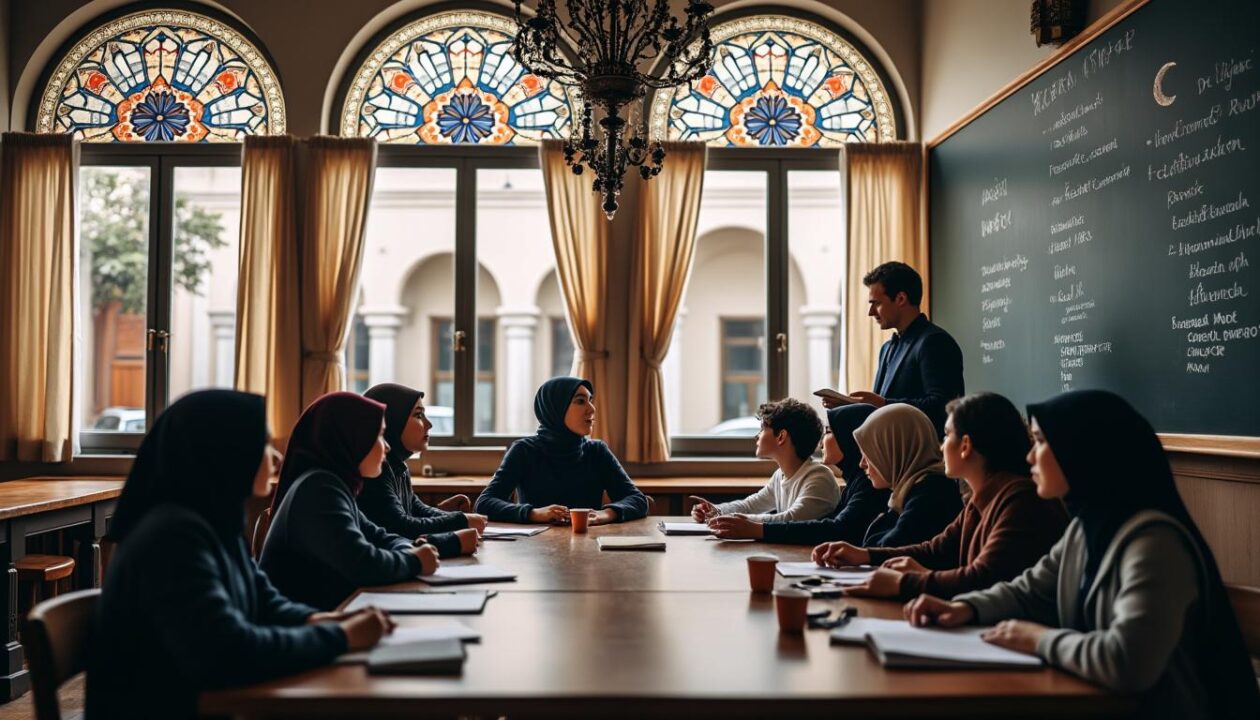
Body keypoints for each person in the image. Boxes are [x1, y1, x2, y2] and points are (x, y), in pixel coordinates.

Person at [903, 390, 1259, 720]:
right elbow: (1028, 590)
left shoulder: (1155, 544)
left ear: (1082, 451)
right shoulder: (1085, 528)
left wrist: (1037, 639)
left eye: (1041, 442)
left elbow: (1127, 660)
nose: (1029, 456)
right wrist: (965, 608)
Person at [87, 390, 393, 719]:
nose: (275, 457)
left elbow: (265, 601)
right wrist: (340, 636)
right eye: (262, 444)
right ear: (224, 452)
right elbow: (229, 653)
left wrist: (316, 619)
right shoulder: (171, 538)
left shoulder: (213, 521)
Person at [813, 392, 1067, 600]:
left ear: (966, 446)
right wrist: (865, 555)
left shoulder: (1019, 500)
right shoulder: (981, 498)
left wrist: (910, 582)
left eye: (946, 435)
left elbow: (982, 579)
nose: (941, 445)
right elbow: (936, 550)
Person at [260, 392, 442, 611]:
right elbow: (364, 564)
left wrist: (410, 548)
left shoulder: (336, 485)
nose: (387, 447)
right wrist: (415, 561)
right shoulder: (318, 489)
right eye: (379, 436)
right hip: (307, 626)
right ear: (352, 438)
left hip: (329, 617)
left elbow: (377, 536)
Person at [475, 377, 648, 524]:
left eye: (590, 401)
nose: (592, 409)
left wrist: (605, 514)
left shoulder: (597, 451)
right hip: (533, 551)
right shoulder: (524, 451)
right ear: (555, 408)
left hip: (588, 547)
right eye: (580, 401)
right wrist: (533, 514)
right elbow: (485, 502)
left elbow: (638, 500)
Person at [710, 404, 888, 543]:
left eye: (829, 432)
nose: (820, 444)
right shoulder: (856, 482)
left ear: (849, 437)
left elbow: (837, 529)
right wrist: (717, 512)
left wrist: (751, 527)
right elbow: (752, 504)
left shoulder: (860, 484)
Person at [826, 261, 963, 438]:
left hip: (921, 457)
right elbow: (880, 412)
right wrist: (850, 405)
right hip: (889, 454)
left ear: (900, 299)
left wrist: (882, 403)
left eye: (876, 303)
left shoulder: (935, 342)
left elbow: (942, 407)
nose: (870, 312)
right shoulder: (887, 348)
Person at [357, 383, 487, 557]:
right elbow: (402, 526)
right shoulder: (375, 470)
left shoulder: (398, 465)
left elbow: (416, 509)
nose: (429, 424)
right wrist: (459, 521)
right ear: (393, 420)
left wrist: (456, 518)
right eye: (419, 415)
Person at [826, 403, 961, 548]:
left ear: (894, 450)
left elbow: (888, 546)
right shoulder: (907, 490)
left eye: (870, 454)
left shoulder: (930, 492)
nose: (862, 464)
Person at [692, 398, 838, 526]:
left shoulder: (819, 477)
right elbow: (749, 505)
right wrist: (715, 511)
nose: (757, 436)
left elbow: (792, 519)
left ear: (781, 437)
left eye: (762, 429)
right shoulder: (780, 475)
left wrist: (729, 519)